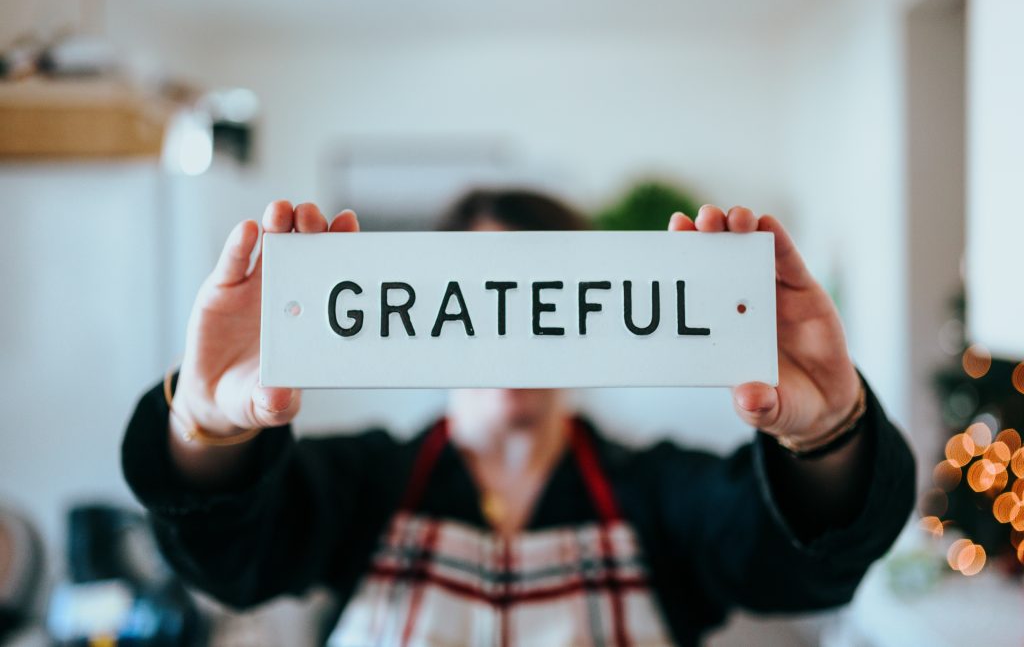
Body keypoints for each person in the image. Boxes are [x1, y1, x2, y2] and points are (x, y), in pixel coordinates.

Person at [122, 190, 915, 646]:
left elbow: (796, 567)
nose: (516, 334)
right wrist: (209, 427)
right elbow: (233, 557)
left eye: (545, 298)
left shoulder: (661, 491)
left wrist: (828, 433)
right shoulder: (362, 480)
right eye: (490, 294)